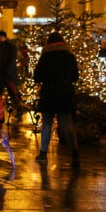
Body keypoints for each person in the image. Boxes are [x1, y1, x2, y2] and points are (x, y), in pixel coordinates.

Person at [33, 31, 80, 165]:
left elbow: (37, 76)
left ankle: (43, 153)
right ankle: (75, 153)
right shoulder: (69, 56)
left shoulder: (45, 56)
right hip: (65, 92)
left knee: (47, 122)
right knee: (67, 122)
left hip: (49, 92)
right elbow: (75, 76)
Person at [0, 30, 22, 116]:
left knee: (12, 92)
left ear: (1, 36)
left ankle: (18, 108)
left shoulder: (9, 47)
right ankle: (0, 111)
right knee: (2, 93)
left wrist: (7, 71)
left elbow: (11, 60)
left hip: (7, 74)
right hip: (1, 74)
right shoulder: (2, 47)